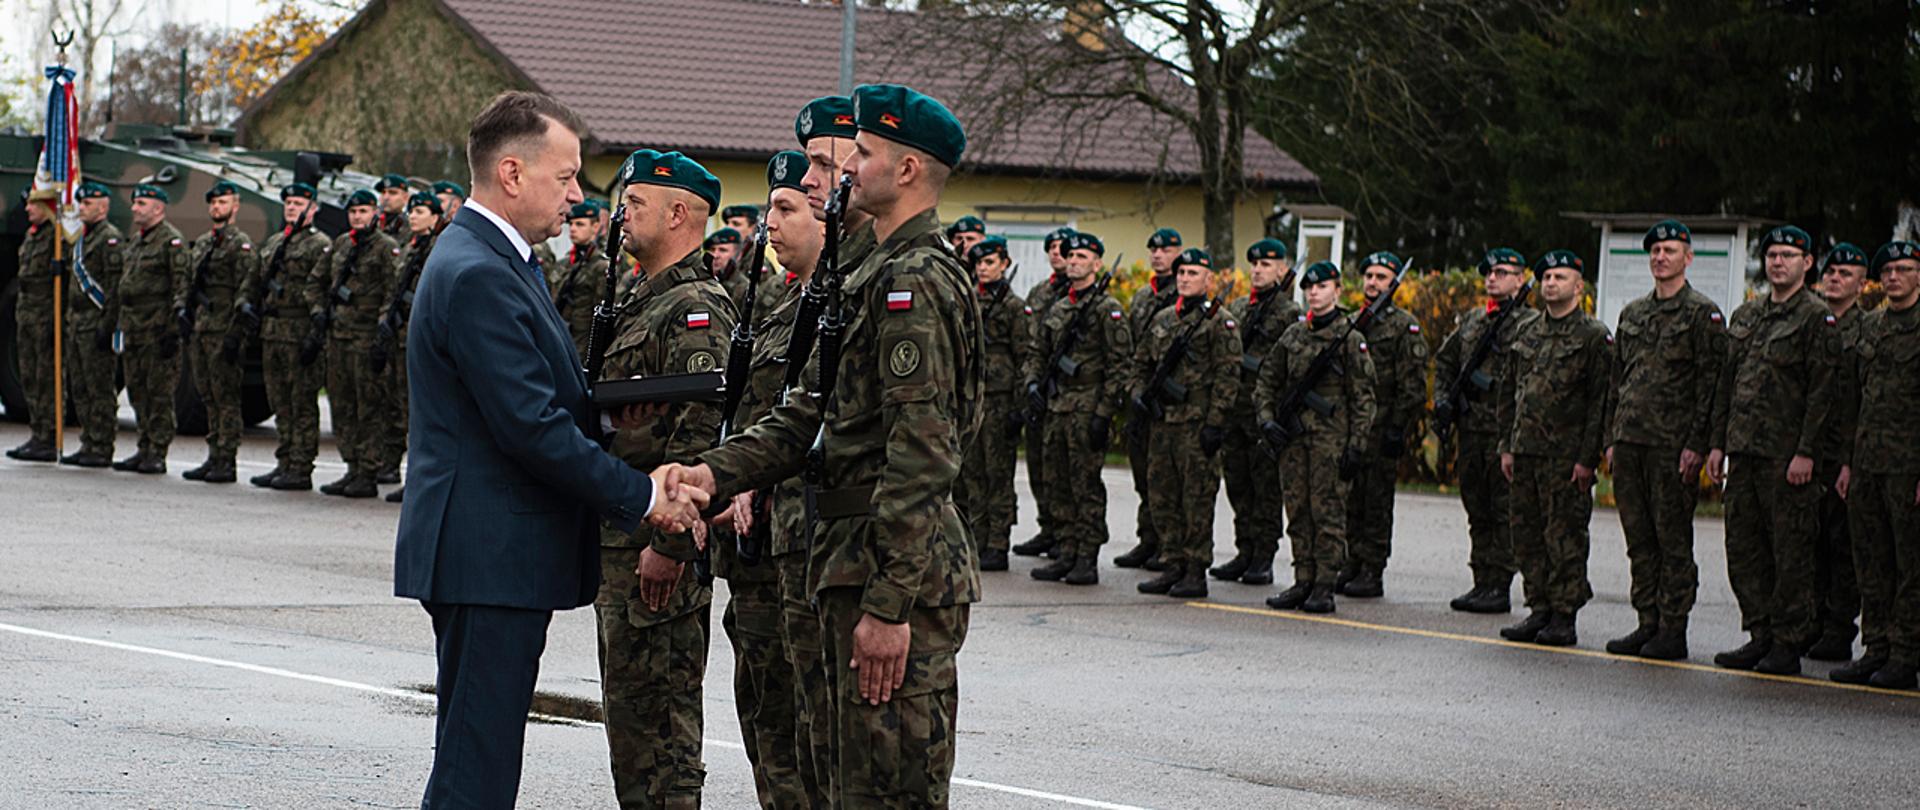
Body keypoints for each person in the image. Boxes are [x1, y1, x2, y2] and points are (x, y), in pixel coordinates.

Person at [666, 83, 983, 807]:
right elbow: (803, 415)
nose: (841, 171)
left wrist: (891, 603)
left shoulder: (914, 281)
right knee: (841, 786)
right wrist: (709, 474)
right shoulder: (869, 275)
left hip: (888, 570)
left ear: (906, 170)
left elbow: (923, 454)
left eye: (859, 153)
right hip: (848, 561)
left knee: (887, 791)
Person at [392, 90, 705, 808]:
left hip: (490, 555)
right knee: (475, 772)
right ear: (512, 173)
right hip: (488, 556)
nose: (575, 195)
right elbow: (529, 426)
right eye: (564, 177)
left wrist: (608, 418)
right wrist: (645, 495)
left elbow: (523, 400)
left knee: (477, 759)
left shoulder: (495, 259)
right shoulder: (479, 270)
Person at [712, 148, 817, 808]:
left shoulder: (836, 312)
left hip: (797, 544)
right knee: (761, 709)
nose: (768, 223)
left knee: (801, 725)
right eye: (770, 209)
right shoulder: (781, 309)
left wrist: (743, 477)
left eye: (786, 208)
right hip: (754, 551)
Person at [1704, 225, 1840, 675]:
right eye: (1772, 255)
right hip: (1744, 452)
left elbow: (1823, 393)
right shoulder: (1747, 314)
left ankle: (1787, 642)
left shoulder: (1815, 318)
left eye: (1788, 255)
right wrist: (1717, 444)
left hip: (1786, 458)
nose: (1778, 262)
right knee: (1744, 548)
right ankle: (1759, 633)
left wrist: (1807, 452)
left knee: (1791, 552)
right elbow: (1727, 384)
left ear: (1807, 263)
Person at [1603, 220, 1728, 661]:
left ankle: (1673, 629)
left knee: (1672, 540)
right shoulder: (1633, 313)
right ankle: (1647, 622)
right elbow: (1617, 381)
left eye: (1669, 250)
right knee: (1639, 539)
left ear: (1687, 258)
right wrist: (1611, 438)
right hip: (1631, 443)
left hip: (1672, 448)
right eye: (1655, 251)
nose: (1660, 257)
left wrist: (1698, 444)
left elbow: (1711, 385)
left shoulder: (1702, 314)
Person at [1496, 250, 1611, 646]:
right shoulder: (1527, 331)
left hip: (1565, 457)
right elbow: (1509, 391)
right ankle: (1539, 607)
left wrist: (1587, 458)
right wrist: (1507, 445)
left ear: (1578, 287)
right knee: (1527, 535)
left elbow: (1599, 402)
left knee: (1564, 537)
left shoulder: (1593, 336)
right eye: (1546, 277)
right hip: (1525, 450)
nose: (1550, 283)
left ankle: (1564, 615)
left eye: (1560, 277)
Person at [1255, 260, 1375, 614]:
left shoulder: (1350, 339)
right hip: (1293, 441)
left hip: (1330, 443)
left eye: (1322, 287)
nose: (1314, 293)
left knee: (1328, 513)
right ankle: (1303, 579)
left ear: (1337, 291)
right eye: (1309, 287)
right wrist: (1266, 421)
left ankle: (1324, 584)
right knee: (1298, 511)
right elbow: (1266, 381)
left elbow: (1364, 398)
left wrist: (1356, 446)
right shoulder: (1293, 335)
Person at [1830, 240, 1920, 689]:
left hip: (1908, 467)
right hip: (1867, 463)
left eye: (1903, 269)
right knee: (1871, 560)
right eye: (1887, 271)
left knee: (1911, 565)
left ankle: (1906, 654)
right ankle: (1877, 647)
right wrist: (1847, 463)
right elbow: (1854, 400)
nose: (1894, 277)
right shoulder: (1870, 326)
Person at [1436, 247, 1541, 614]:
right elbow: (1446, 361)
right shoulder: (1473, 320)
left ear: (1520, 279)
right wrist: (1444, 401)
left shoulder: (1530, 324)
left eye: (1501, 272)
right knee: (1476, 508)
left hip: (1503, 433)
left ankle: (1499, 584)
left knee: (1502, 511)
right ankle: (1481, 580)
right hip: (1470, 430)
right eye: (1489, 273)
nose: (1492, 278)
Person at [1131, 248, 1240, 597]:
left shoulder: (1220, 322)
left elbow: (1228, 377)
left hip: (1197, 424)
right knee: (1162, 496)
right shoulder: (1163, 319)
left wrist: (1215, 423)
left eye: (1193, 273)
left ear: (1208, 279)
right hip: (1163, 422)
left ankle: (1195, 570)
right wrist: (1140, 395)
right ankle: (1172, 562)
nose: (1184, 278)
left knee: (1196, 500)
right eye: (1181, 273)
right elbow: (1141, 364)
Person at [1027, 231, 1132, 585]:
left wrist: (1104, 413)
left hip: (1087, 407)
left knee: (1084, 484)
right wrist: (1033, 384)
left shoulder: (1107, 310)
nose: (1073, 261)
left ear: (1096, 264)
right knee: (1056, 482)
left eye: (1082, 257)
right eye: (1070, 256)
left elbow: (1120, 366)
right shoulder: (1059, 308)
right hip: (1057, 405)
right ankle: (1065, 550)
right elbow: (1038, 352)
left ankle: (1086, 556)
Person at [236, 182, 332, 491]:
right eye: (288, 203)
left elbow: (323, 289)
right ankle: (285, 460)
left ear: (312, 209)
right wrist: (246, 303)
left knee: (301, 401)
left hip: (300, 331)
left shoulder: (319, 244)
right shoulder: (276, 241)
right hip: (272, 331)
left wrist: (316, 334)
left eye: (298, 203)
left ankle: (301, 467)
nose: (291, 207)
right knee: (280, 401)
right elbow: (254, 278)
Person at [1342, 251, 1427, 598]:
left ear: (1393, 284)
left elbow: (1413, 385)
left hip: (1381, 428)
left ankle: (1372, 569)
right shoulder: (1351, 322)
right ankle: (1351, 561)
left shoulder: (1403, 326)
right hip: (1349, 428)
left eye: (1381, 277)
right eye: (1369, 276)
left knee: (1375, 501)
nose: (1373, 283)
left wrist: (1398, 428)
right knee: (1349, 499)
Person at [1213, 239, 1298, 585]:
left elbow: (1288, 367)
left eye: (1266, 264)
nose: (1258, 270)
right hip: (1234, 409)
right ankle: (1244, 549)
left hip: (1263, 413)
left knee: (1265, 487)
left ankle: (1264, 554)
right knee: (1237, 482)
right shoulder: (1238, 307)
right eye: (1255, 264)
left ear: (1282, 270)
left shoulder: (1288, 314)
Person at [1808, 243, 1871, 662]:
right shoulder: (1813, 324)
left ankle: (1838, 628)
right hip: (1808, 451)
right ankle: (1812, 622)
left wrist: (1850, 459)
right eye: (1831, 272)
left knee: (1842, 545)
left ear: (1862, 285)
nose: (1835, 278)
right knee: (1809, 542)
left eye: (1845, 274)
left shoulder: (1868, 331)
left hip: (1846, 454)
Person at [959, 235, 1031, 572]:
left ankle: (999, 542)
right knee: (973, 471)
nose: (983, 269)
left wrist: (1019, 405)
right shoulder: (970, 300)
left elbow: (1025, 356)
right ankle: (977, 536)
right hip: (974, 397)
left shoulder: (1014, 306)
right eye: (979, 263)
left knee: (998, 473)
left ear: (1004, 264)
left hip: (1001, 400)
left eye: (990, 262)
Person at [178, 180, 255, 484]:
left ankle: (227, 459)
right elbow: (189, 281)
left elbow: (246, 288)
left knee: (226, 397)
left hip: (224, 329)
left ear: (235, 207)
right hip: (201, 328)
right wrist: (183, 311)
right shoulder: (203, 243)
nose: (216, 207)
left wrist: (236, 333)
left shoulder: (240, 244)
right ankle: (213, 455)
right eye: (213, 203)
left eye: (223, 202)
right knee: (207, 395)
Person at [111, 184, 190, 475]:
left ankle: (157, 451)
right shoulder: (136, 241)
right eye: (134, 203)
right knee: (137, 391)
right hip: (133, 329)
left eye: (141, 203)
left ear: (158, 208)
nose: (134, 208)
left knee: (159, 394)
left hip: (157, 330)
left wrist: (172, 330)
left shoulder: (171, 242)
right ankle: (143, 447)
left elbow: (181, 287)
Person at [1118, 226, 1184, 571]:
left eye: (1166, 250)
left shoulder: (1182, 294)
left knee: (1166, 479)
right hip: (1142, 393)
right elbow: (1133, 347)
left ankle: (1168, 543)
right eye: (1153, 250)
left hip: (1171, 399)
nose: (1158, 255)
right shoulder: (1144, 296)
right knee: (1144, 474)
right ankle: (1148, 538)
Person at [1010, 225, 1077, 559]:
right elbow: (1031, 342)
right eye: (1051, 248)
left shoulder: (1083, 295)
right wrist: (1031, 383)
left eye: (1062, 248)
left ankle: (1069, 537)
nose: (1056, 253)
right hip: (1041, 387)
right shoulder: (1039, 293)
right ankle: (1048, 527)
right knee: (1039, 463)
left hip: (1071, 395)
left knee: (1067, 472)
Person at [376, 191, 444, 502]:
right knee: (396, 407)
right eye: (412, 211)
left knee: (417, 413)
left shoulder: (438, 249)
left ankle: (417, 480)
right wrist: (384, 324)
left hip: (419, 340)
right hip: (398, 336)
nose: (413, 216)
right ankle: (395, 469)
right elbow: (392, 291)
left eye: (420, 212)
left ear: (435, 217)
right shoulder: (408, 249)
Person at [59, 182, 124, 468]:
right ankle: (88, 441)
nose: (81, 208)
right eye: (81, 203)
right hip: (78, 323)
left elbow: (114, 288)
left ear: (103, 207)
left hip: (96, 321)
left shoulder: (110, 239)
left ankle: (102, 445)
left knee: (99, 388)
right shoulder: (82, 239)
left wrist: (107, 326)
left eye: (87, 204)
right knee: (80, 387)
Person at [6, 188, 60, 462]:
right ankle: (37, 433)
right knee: (29, 377)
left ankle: (49, 437)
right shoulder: (33, 235)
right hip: (27, 316)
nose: (27, 209)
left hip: (45, 316)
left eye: (33, 204)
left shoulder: (55, 238)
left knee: (45, 378)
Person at [549, 201, 607, 361]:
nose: (573, 229)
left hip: (582, 348)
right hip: (559, 341)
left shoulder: (601, 266)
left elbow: (601, 315)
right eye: (571, 224)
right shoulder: (564, 263)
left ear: (595, 227)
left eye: (580, 224)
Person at [375, 173, 411, 241]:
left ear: (405, 198)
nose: (386, 197)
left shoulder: (409, 227)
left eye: (392, 193)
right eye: (383, 192)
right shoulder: (369, 218)